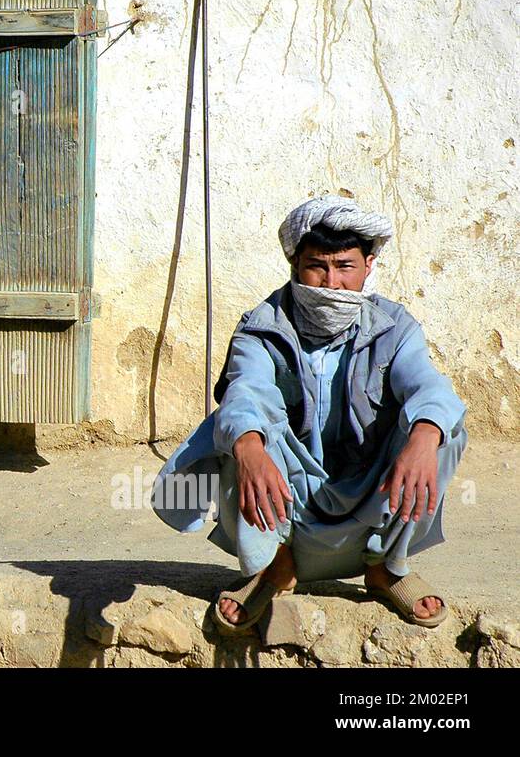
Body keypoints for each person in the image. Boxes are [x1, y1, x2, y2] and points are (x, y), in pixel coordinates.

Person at [152, 196, 467, 632]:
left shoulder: (395, 326)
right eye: (317, 266)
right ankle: (272, 566)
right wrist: (249, 447)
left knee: (441, 426)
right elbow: (246, 390)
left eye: (345, 266)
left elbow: (427, 384)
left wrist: (424, 436)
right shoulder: (261, 325)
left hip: (369, 495)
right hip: (285, 506)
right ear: (295, 264)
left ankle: (386, 567)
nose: (332, 282)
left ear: (369, 265)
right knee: (235, 429)